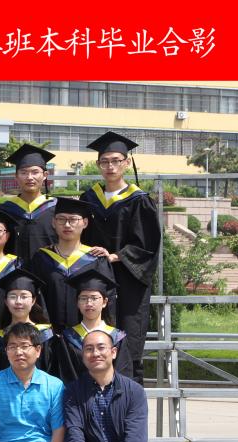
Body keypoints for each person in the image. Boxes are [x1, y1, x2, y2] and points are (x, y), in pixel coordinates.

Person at [79, 131, 161, 384]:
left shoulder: (140, 201)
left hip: (128, 281)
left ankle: (129, 396)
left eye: (116, 161)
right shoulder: (88, 199)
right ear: (98, 165)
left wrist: (116, 256)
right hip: (95, 278)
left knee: (128, 339)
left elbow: (148, 245)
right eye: (105, 161)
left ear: (127, 163)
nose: (110, 166)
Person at [28, 197, 115, 332]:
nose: (67, 225)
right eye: (61, 219)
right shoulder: (41, 258)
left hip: (88, 335)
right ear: (53, 222)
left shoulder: (97, 259)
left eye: (73, 220)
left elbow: (108, 301)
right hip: (49, 334)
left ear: (85, 223)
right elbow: (36, 300)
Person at [0, 268, 72, 381]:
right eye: (13, 296)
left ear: (33, 301)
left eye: (24, 296)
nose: (18, 302)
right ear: (6, 301)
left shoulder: (48, 336)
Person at [62, 269, 133, 380]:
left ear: (104, 302)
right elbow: (66, 375)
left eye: (94, 298)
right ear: (77, 303)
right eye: (83, 298)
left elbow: (124, 375)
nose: (89, 303)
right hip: (77, 391)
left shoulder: (117, 338)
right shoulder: (68, 338)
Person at [0, 144, 58, 261]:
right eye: (24, 172)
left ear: (45, 175)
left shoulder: (56, 209)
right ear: (16, 176)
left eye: (35, 172)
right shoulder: (5, 210)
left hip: (49, 269)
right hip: (14, 270)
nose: (29, 177)